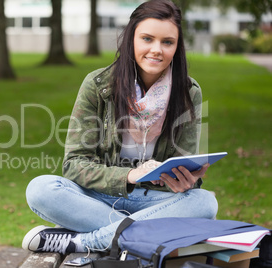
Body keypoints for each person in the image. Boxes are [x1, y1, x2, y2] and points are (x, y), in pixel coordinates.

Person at [22, 0, 218, 255]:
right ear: (131, 40)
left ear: (177, 46)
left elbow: (182, 166)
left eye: (167, 42)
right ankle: (143, 235)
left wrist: (186, 180)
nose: (156, 50)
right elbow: (75, 164)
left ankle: (86, 241)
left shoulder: (188, 92)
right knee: (41, 189)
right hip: (99, 197)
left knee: (204, 203)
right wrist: (128, 176)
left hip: (155, 202)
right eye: (147, 38)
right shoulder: (98, 85)